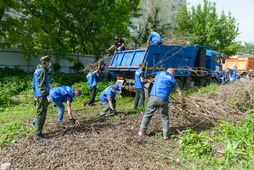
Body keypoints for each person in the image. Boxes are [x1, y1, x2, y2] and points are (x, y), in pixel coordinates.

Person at [138, 68, 186, 140]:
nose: (173, 75)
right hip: (163, 99)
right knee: (165, 117)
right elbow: (180, 93)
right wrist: (184, 102)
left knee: (147, 115)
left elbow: (154, 81)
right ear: (172, 73)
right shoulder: (172, 79)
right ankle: (165, 136)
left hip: (153, 97)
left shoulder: (158, 74)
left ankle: (141, 132)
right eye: (174, 74)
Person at [33, 56, 51, 140]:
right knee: (41, 115)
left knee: (40, 113)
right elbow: (41, 85)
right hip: (41, 96)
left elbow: (34, 84)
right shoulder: (43, 71)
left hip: (37, 95)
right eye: (49, 61)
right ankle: (38, 134)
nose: (50, 63)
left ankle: (39, 132)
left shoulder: (37, 70)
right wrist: (47, 95)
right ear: (46, 62)